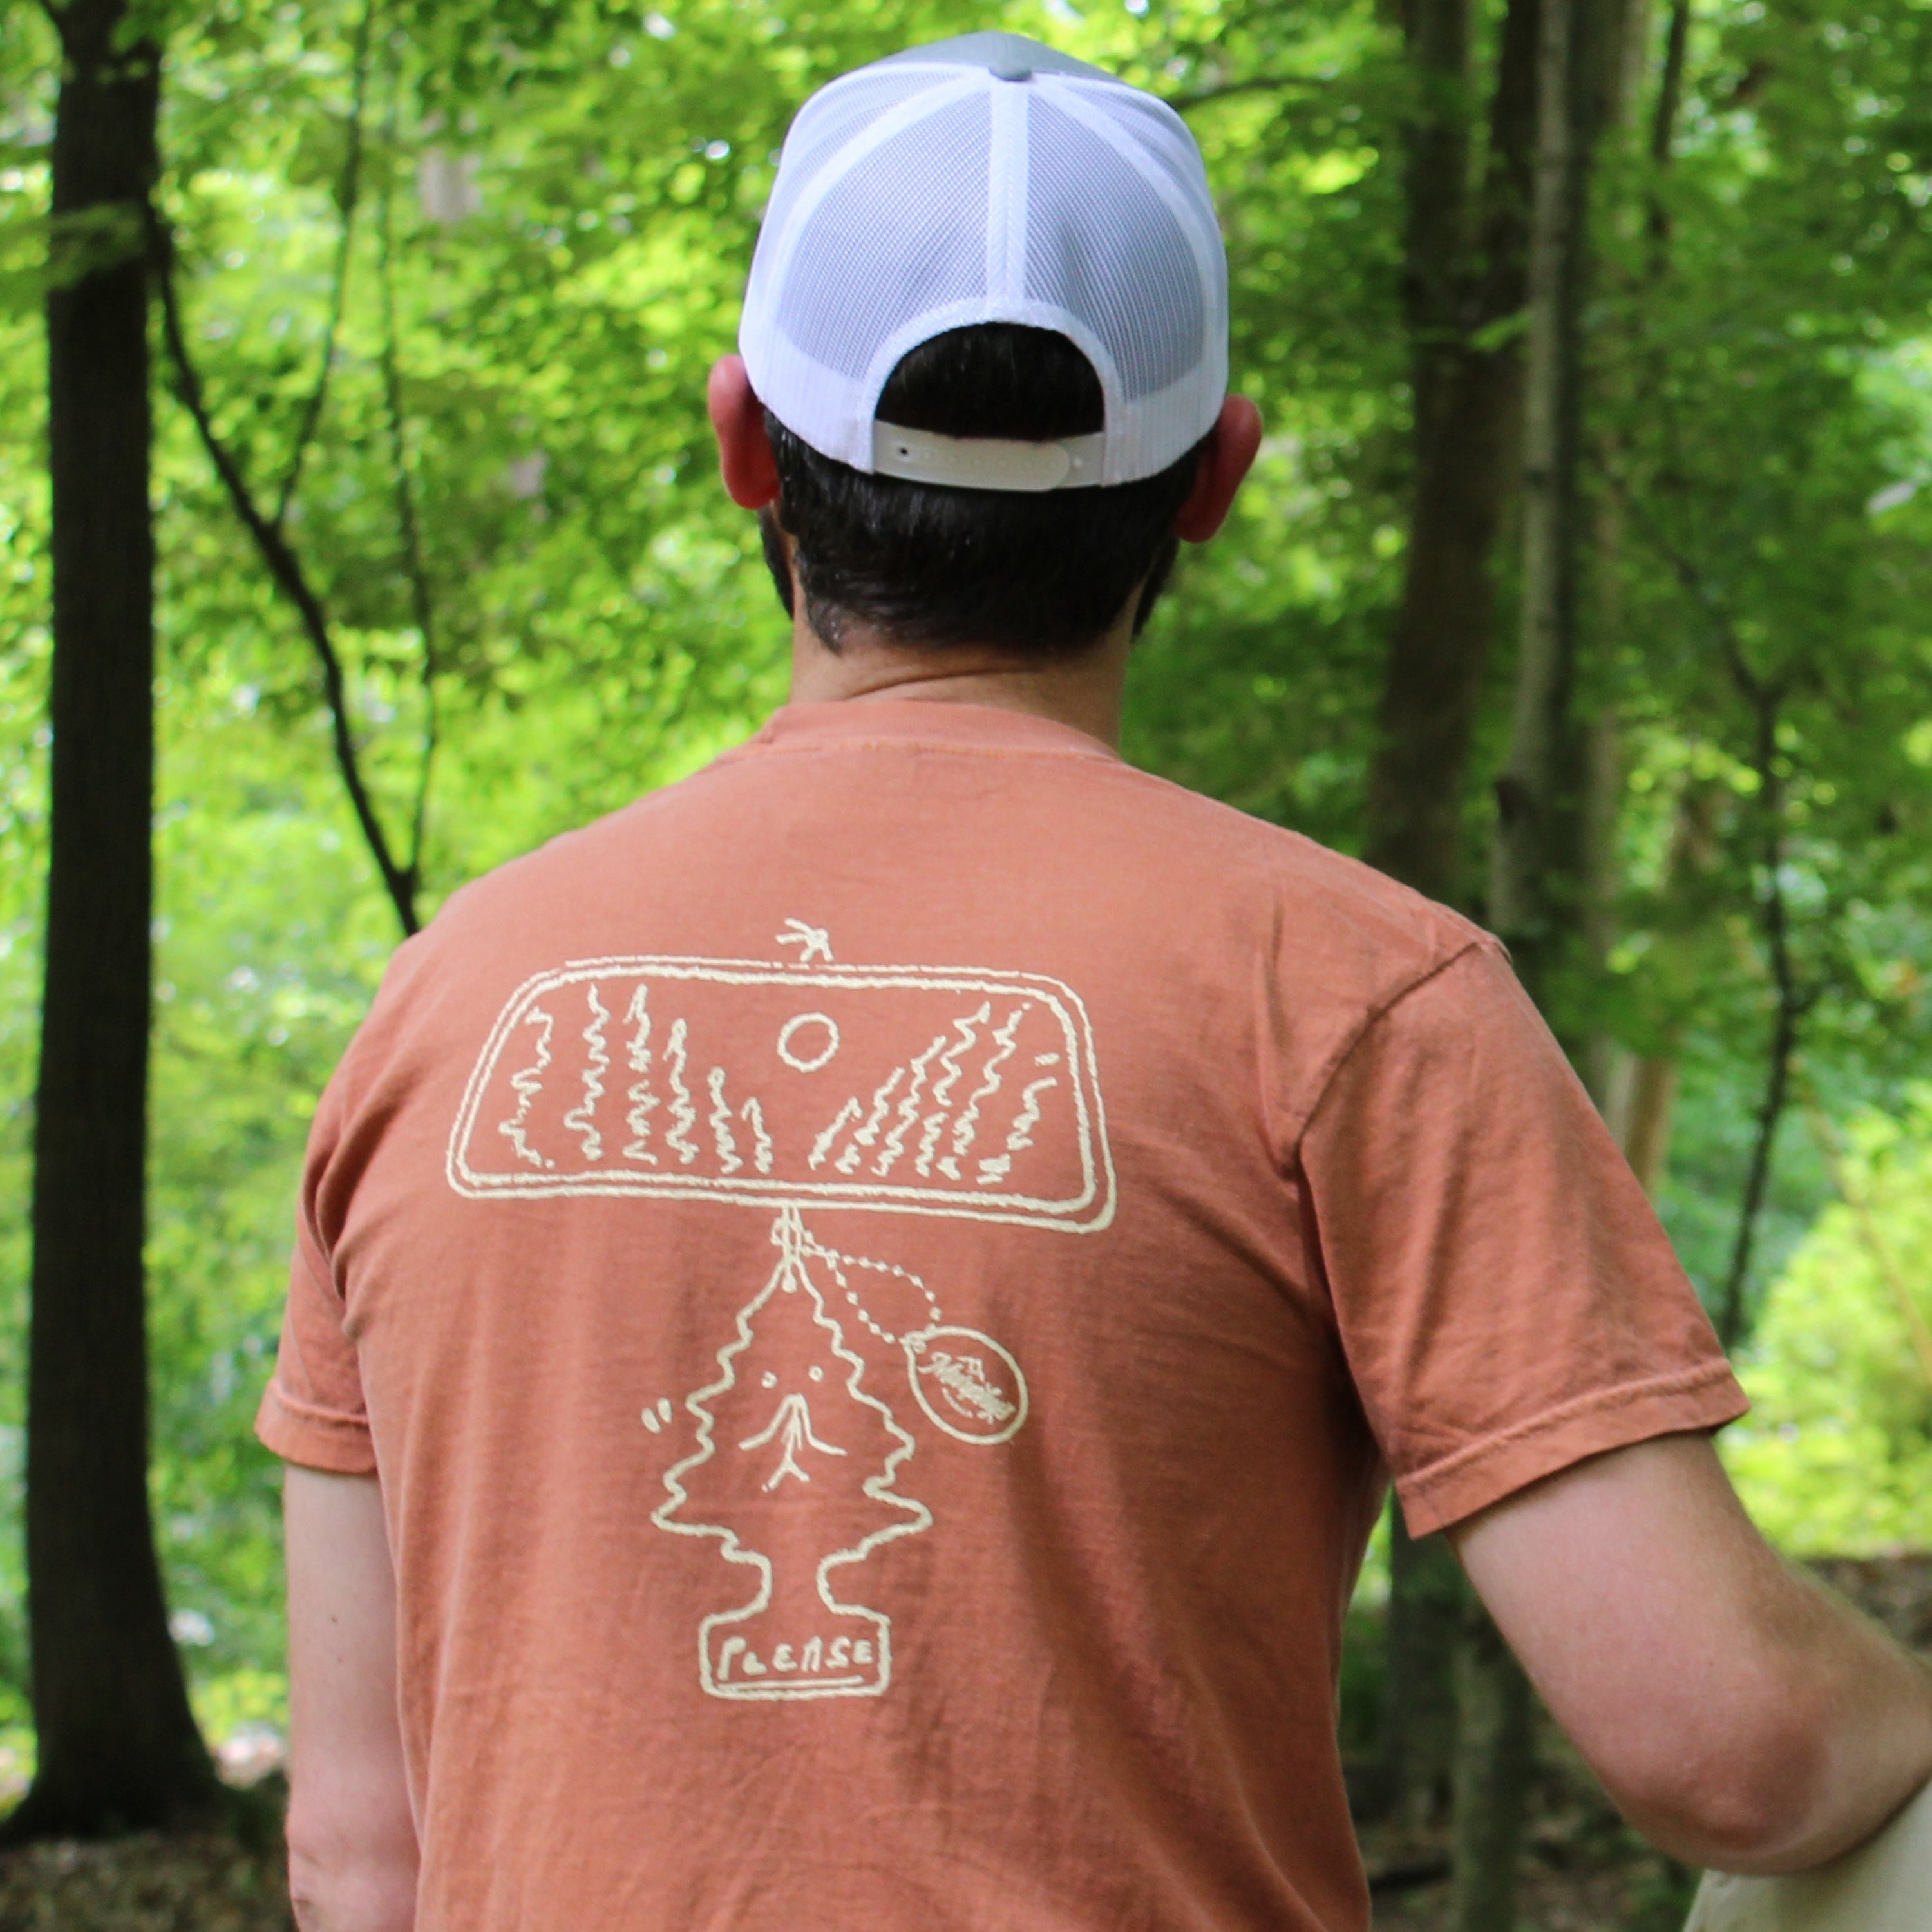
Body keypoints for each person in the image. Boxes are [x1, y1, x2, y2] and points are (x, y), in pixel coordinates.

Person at [261, 32, 1932, 1932]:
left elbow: (360, 1858)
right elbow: (1734, 1750)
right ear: (1214, 478)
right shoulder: (1357, 998)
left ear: (744, 447)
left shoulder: (446, 1006)